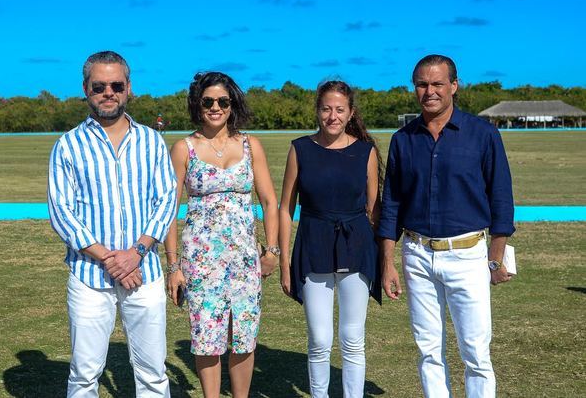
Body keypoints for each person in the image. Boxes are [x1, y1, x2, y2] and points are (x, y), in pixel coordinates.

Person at [378, 54, 515, 398]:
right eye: (422, 84)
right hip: (417, 254)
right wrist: (388, 262)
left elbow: (500, 197)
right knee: (428, 350)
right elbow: (392, 203)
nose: (430, 91)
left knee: (475, 352)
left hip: (468, 255)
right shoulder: (402, 139)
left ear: (454, 86)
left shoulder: (483, 134)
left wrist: (495, 259)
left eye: (438, 83)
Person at [48, 51, 177, 397]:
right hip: (89, 278)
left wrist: (135, 253)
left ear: (129, 88)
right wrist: (111, 259)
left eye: (116, 85)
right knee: (85, 374)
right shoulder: (68, 145)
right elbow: (62, 212)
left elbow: (166, 200)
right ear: (85, 89)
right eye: (99, 86)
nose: (108, 93)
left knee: (152, 373)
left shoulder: (151, 141)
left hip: (143, 273)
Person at [164, 72, 279, 398]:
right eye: (208, 102)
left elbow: (270, 201)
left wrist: (271, 252)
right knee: (206, 336)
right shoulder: (183, 148)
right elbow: (169, 211)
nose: (215, 107)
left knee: (244, 335)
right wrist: (173, 267)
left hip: (244, 261)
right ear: (197, 105)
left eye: (222, 101)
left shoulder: (250, 145)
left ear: (232, 105)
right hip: (201, 263)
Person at [279, 80, 382, 397]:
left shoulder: (366, 152)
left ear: (350, 113)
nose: (332, 116)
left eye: (339, 109)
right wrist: (284, 262)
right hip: (313, 246)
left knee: (353, 338)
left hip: (357, 247)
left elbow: (374, 209)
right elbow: (285, 209)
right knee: (320, 339)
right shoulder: (300, 149)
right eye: (326, 109)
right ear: (317, 111)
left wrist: (384, 259)